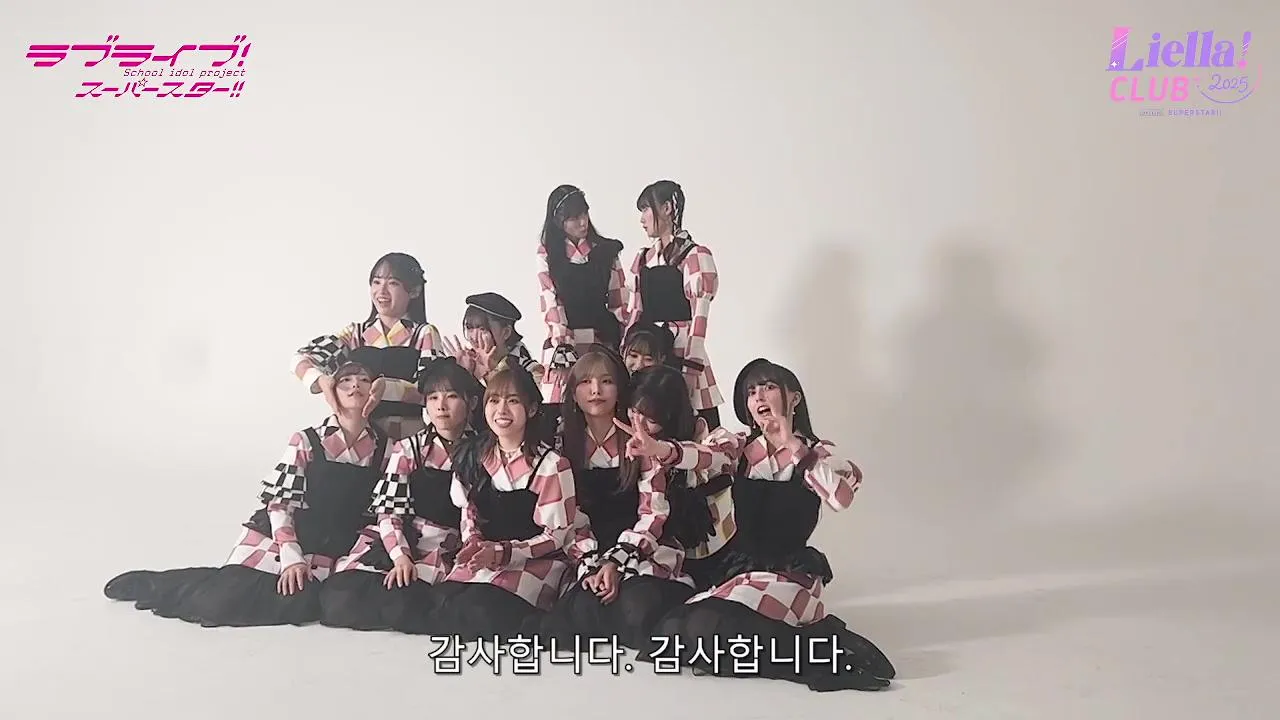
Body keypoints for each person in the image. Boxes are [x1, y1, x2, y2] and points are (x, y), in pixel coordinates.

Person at [644, 359, 896, 692]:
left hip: (792, 575)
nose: (759, 396)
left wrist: (793, 444)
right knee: (674, 631)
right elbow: (703, 456)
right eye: (751, 392)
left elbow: (840, 498)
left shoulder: (818, 453)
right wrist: (660, 449)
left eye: (769, 387)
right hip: (743, 570)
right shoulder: (739, 448)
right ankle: (818, 645)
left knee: (709, 626)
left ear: (794, 398)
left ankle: (826, 657)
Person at [103, 362, 391, 627]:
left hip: (339, 542)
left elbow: (382, 509)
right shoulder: (307, 440)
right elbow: (280, 504)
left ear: (374, 393)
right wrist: (291, 556)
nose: (355, 385)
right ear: (331, 392)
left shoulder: (385, 448)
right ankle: (156, 584)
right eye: (345, 381)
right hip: (291, 532)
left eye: (364, 380)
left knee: (306, 604)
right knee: (226, 601)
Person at [535, 356, 736, 651]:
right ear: (573, 392)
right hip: (590, 553)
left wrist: (617, 561)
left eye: (606, 381)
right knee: (577, 617)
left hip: (645, 550)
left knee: (636, 611)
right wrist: (593, 564)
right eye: (585, 382)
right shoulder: (561, 445)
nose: (595, 390)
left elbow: (653, 513)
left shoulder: (642, 442)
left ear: (621, 389)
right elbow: (568, 519)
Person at [396, 365, 587, 641]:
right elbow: (468, 513)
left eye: (513, 401)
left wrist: (501, 552)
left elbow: (556, 537)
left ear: (532, 409)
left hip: (535, 562)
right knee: (438, 607)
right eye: (494, 401)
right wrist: (473, 542)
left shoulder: (552, 465)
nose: (502, 410)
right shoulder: (473, 455)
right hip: (486, 558)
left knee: (484, 610)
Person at [317, 358, 481, 631]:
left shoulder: (483, 451)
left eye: (452, 396)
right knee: (346, 595)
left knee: (419, 603)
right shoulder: (408, 448)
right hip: (403, 535)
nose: (441, 406)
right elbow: (389, 511)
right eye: (433, 397)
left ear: (472, 403)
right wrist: (400, 555)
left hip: (448, 544)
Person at [291, 252, 448, 441]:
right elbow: (301, 359)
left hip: (408, 437)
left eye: (393, 283)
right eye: (376, 282)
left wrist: (387, 388)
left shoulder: (424, 333)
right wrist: (321, 380)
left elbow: (433, 391)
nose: (381, 291)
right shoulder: (354, 333)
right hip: (358, 435)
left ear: (414, 291)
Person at [626, 180, 723, 429]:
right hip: (650, 353)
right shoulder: (643, 258)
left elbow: (699, 317)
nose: (642, 219)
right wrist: (626, 353)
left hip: (683, 350)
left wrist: (692, 366)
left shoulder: (694, 255)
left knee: (696, 424)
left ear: (667, 208)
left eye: (646, 209)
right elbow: (635, 313)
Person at [535, 185, 630, 427]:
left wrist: (625, 344)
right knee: (559, 411)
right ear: (559, 222)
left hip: (601, 339)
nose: (582, 222)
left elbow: (619, 302)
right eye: (573, 218)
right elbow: (551, 302)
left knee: (604, 407)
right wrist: (563, 349)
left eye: (584, 214)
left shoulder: (606, 251)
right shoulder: (548, 254)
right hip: (563, 341)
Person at [441, 292, 544, 389]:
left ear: (506, 332)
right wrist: (458, 374)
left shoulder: (530, 370)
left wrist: (489, 374)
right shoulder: (468, 364)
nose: (474, 337)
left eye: (482, 329)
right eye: (469, 328)